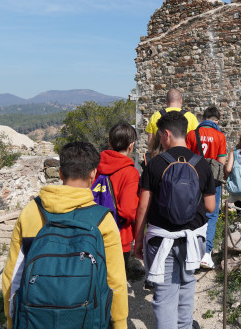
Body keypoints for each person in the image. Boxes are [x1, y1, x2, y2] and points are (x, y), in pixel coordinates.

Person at [2, 142, 127, 329]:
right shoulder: (103, 219)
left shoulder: (30, 212)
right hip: (87, 319)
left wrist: (12, 320)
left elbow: (13, 275)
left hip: (35, 319)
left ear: (60, 173)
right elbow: (115, 281)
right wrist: (119, 323)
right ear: (93, 174)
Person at [134, 111, 215, 329]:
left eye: (160, 135)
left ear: (167, 134)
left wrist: (138, 240)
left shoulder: (155, 164)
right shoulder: (202, 164)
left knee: (165, 293)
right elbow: (210, 206)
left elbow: (143, 206)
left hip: (161, 239)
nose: (160, 140)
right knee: (187, 287)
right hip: (192, 238)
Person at [185, 106, 227, 270]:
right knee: (211, 215)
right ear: (216, 120)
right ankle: (206, 254)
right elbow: (221, 161)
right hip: (212, 182)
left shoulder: (191, 135)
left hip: (193, 180)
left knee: (191, 213)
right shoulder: (220, 136)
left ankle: (190, 252)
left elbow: (186, 157)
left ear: (203, 119)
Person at [94, 122, 140, 267]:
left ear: (109, 142)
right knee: (116, 285)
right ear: (131, 145)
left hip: (93, 232)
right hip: (119, 236)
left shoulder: (96, 166)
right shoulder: (130, 172)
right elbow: (127, 211)